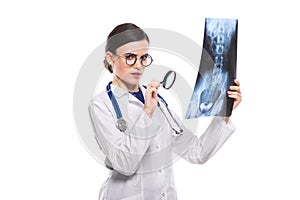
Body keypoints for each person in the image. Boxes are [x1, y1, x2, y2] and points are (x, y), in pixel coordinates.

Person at [88, 23, 242, 200]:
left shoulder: (157, 101)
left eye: (143, 57)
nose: (138, 65)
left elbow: (197, 152)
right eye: (130, 57)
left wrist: (224, 113)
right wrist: (147, 113)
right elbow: (125, 164)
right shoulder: (101, 105)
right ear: (110, 58)